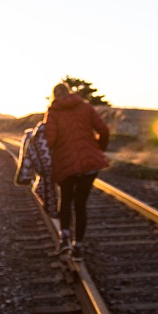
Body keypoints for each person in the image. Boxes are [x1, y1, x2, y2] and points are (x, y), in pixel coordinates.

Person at [44, 81, 110, 255]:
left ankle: (64, 237)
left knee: (65, 200)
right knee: (81, 204)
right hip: (89, 162)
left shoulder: (53, 112)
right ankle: (78, 244)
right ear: (70, 91)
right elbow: (103, 130)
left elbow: (49, 140)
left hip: (65, 164)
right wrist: (98, 149)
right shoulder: (85, 107)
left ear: (54, 96)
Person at [14, 120, 57, 217]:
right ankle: (65, 224)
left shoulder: (34, 137)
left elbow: (27, 160)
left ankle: (64, 226)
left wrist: (25, 176)